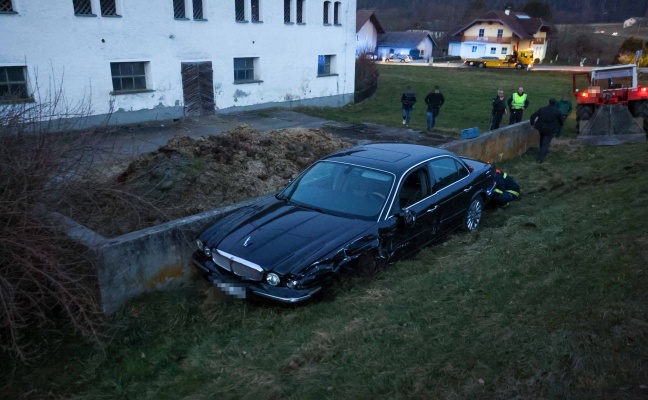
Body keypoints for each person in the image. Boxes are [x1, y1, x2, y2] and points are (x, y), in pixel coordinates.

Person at [530, 98, 564, 163]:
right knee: (546, 143)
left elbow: (533, 116)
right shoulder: (557, 111)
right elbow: (561, 120)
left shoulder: (542, 109)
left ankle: (541, 151)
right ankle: (540, 158)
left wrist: (532, 124)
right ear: (555, 103)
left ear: (549, 102)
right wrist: (560, 125)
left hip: (541, 128)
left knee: (542, 139)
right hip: (551, 129)